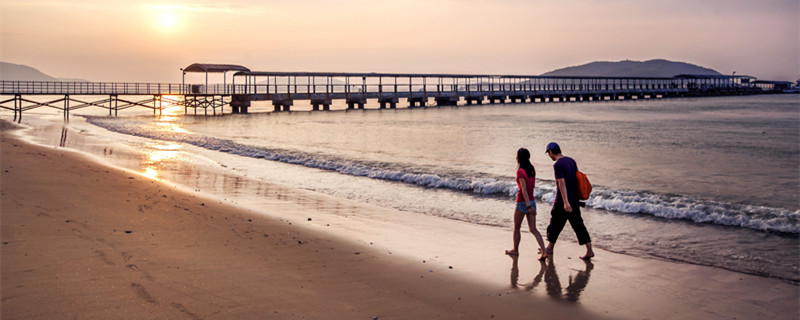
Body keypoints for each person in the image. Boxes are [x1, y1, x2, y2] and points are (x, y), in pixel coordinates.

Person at [544, 142, 595, 260]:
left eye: (548, 153)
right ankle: (589, 250)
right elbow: (576, 179)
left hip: (563, 201)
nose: (549, 156)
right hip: (574, 199)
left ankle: (550, 248)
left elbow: (561, 183)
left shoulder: (557, 165)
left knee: (554, 224)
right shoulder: (571, 161)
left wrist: (566, 202)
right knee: (578, 225)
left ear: (551, 152)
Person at [505, 148, 548, 260]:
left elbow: (523, 190)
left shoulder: (520, 171)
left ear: (519, 158)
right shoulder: (532, 169)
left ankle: (515, 250)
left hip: (522, 202)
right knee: (533, 229)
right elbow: (531, 187)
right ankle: (544, 251)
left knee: (517, 227)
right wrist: (531, 205)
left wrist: (528, 206)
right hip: (532, 200)